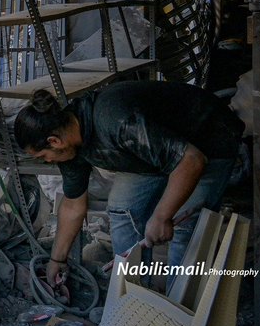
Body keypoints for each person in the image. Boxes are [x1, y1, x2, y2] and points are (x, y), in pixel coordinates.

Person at [12, 80, 244, 286]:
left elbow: (191, 161)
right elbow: (73, 206)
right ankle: (131, 300)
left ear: (54, 141)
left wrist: (162, 216)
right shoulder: (70, 147)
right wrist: (57, 260)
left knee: (185, 228)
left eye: (42, 156)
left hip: (207, 139)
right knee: (123, 214)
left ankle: (180, 314)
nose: (48, 161)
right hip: (153, 155)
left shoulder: (118, 122)